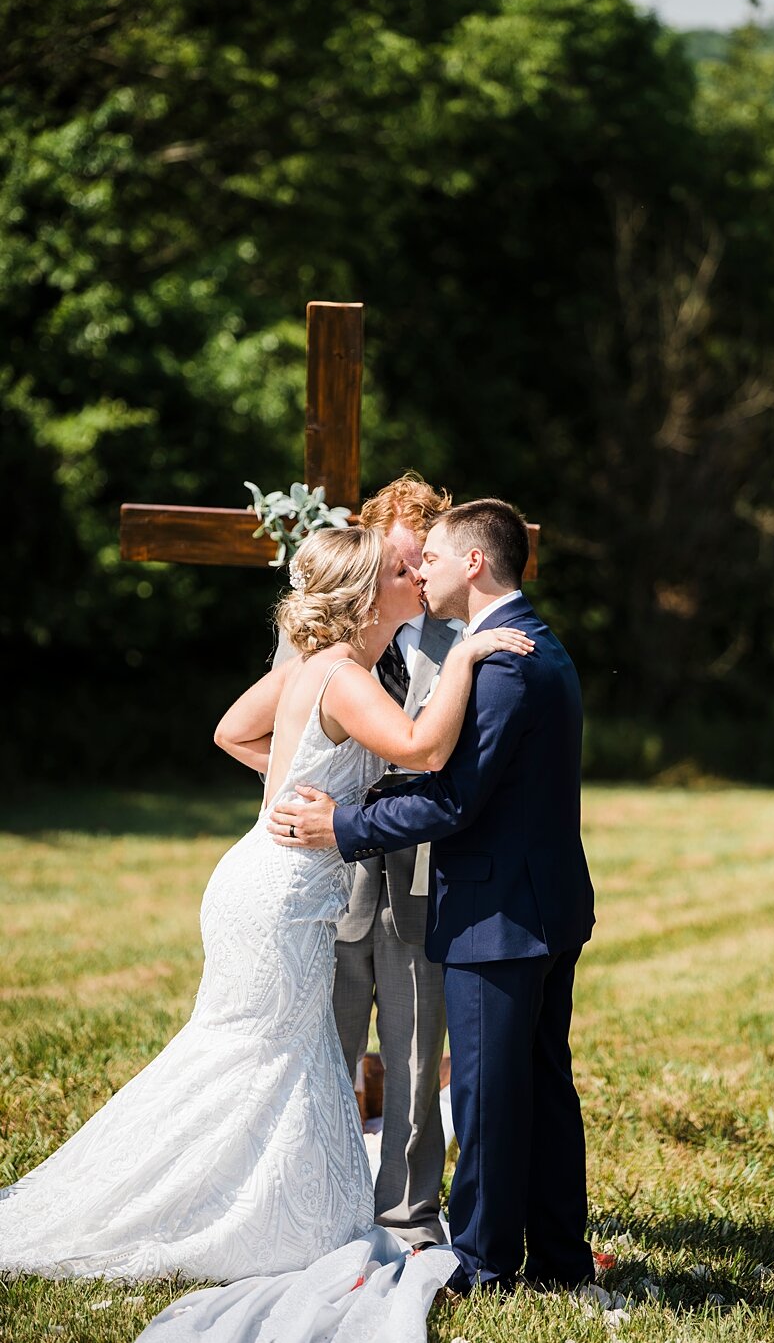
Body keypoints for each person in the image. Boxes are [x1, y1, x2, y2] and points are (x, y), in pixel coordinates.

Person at [0, 525, 532, 1282]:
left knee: (263, 1057)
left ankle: (241, 1206)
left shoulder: (317, 668)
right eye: (401, 569)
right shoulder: (347, 676)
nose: (418, 575)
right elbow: (425, 748)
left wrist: (296, 792)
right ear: (367, 592)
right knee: (253, 1057)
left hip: (257, 878)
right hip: (282, 896)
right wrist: (470, 654)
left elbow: (231, 731)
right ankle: (175, 1210)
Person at [267, 500, 596, 1296]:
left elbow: (456, 803)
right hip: (541, 906)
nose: (422, 574)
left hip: (499, 920)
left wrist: (344, 822)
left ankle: (483, 1266)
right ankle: (558, 1260)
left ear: (475, 565)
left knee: (487, 1100)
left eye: (434, 561)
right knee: (542, 1089)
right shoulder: (535, 647)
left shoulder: (506, 662)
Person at [284, 474, 461, 1250]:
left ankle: (408, 1212)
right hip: (334, 872)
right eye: (401, 562)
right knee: (327, 1048)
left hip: (421, 871)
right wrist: (307, 799)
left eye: (424, 561)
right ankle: (314, 1204)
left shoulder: (462, 638)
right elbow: (276, 732)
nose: (417, 578)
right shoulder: (326, 643)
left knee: (418, 1053)